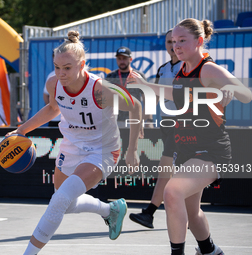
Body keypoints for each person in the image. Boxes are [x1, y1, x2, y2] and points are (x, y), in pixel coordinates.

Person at [6, 31, 142, 255]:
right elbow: (52, 108)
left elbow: (135, 105)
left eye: (67, 68)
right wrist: (21, 130)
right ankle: (110, 210)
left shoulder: (100, 90)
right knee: (66, 203)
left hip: (102, 151)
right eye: (57, 67)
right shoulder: (54, 84)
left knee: (59, 201)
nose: (61, 73)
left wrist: (133, 149)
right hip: (71, 146)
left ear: (82, 65)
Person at [131, 18, 252, 255]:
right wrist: (145, 85)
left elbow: (246, 95)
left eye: (182, 40)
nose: (176, 45)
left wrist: (231, 89)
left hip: (210, 150)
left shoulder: (208, 69)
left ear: (199, 41)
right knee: (191, 209)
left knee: (172, 192)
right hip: (187, 149)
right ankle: (210, 250)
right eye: (174, 41)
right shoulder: (182, 71)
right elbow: (175, 93)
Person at [129, 29, 183, 229]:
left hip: (183, 125)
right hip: (167, 124)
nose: (173, 45)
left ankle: (154, 213)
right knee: (167, 171)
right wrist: (143, 119)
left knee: (171, 170)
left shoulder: (189, 67)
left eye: (177, 41)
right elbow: (157, 97)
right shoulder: (163, 69)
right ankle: (152, 214)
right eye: (169, 41)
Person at [105, 46, 153, 128]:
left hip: (134, 120)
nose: (122, 61)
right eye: (119, 58)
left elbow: (147, 99)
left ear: (130, 59)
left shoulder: (138, 76)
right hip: (115, 121)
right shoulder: (111, 76)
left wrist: (149, 120)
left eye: (124, 58)